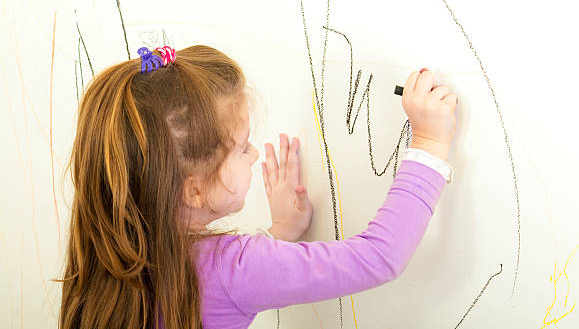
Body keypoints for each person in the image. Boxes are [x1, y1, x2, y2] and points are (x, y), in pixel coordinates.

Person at [57, 45, 457, 328]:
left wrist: (280, 232)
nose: (252, 155)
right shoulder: (235, 268)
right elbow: (380, 257)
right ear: (193, 191)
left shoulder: (103, 262)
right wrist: (429, 143)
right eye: (242, 146)